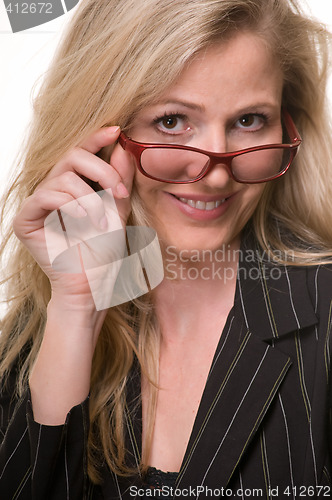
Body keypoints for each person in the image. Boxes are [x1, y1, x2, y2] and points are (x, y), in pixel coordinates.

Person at [1, 0, 332, 498]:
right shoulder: (37, 333)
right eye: (173, 121)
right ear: (100, 131)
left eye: (248, 120)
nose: (217, 171)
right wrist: (78, 310)